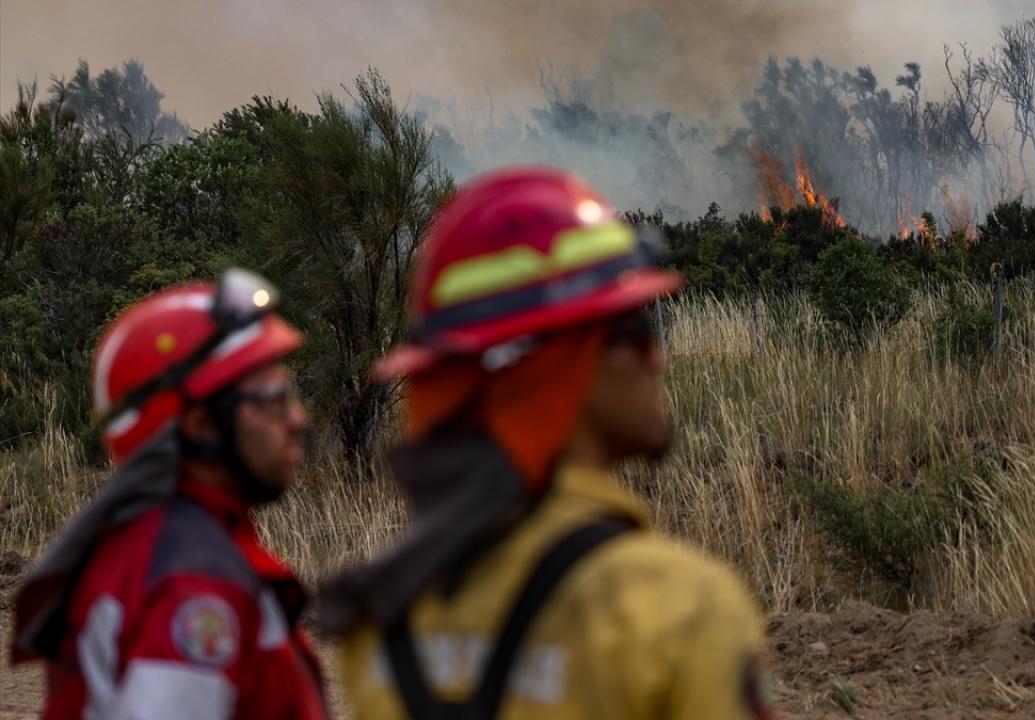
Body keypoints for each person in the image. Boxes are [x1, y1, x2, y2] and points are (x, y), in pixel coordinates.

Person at [318, 167, 773, 719]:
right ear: (564, 365)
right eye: (635, 328)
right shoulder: (678, 612)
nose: (658, 356)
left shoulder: (384, 620)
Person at [9, 269, 329, 720]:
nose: (297, 419)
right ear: (199, 424)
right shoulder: (191, 584)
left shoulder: (158, 546)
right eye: (273, 400)